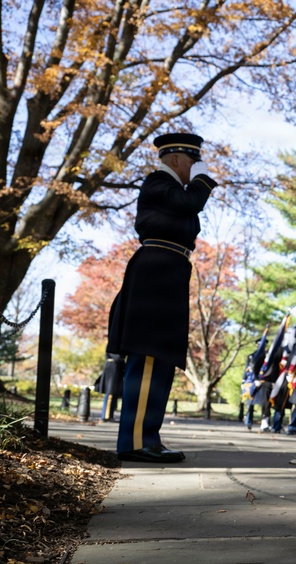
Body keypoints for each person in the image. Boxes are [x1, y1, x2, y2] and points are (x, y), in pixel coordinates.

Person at [107, 132, 217, 463]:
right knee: (150, 354)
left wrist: (195, 185)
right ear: (174, 160)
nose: (194, 168)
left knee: (161, 358)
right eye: (191, 162)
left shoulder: (170, 190)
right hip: (156, 271)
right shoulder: (158, 182)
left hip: (168, 271)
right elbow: (190, 204)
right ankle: (135, 441)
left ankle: (147, 436)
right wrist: (203, 183)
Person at [95, 353, 125, 423]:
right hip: (112, 369)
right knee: (110, 394)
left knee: (114, 394)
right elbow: (117, 357)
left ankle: (109, 415)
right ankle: (106, 416)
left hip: (116, 369)